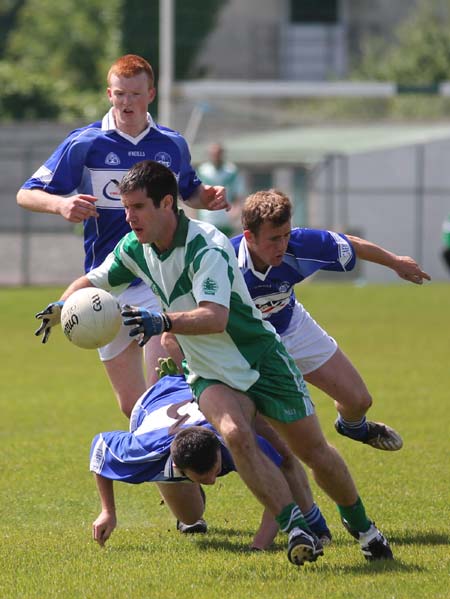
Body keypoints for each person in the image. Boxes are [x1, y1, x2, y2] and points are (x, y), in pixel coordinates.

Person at [35, 160, 393, 566]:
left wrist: (162, 321)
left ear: (167, 203)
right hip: (208, 370)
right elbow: (95, 280)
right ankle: (295, 528)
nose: (128, 216)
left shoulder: (207, 245)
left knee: (313, 452)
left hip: (259, 358)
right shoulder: (134, 248)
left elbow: (215, 317)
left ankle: (364, 529)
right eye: (125, 207)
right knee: (235, 434)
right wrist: (64, 304)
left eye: (137, 207)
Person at [16, 54, 227, 418]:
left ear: (151, 95)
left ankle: (185, 462)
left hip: (157, 274)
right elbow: (26, 193)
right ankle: (170, 455)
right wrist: (61, 205)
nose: (126, 102)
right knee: (133, 407)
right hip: (104, 283)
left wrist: (205, 196)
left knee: (165, 390)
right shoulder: (86, 143)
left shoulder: (171, 144)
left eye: (134, 94)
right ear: (109, 95)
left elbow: (189, 191)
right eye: (119, 94)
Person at [231, 189, 431, 450]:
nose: (282, 245)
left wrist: (396, 262)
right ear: (250, 237)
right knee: (268, 438)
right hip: (245, 343)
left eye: (286, 235)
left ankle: (352, 427)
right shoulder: (223, 260)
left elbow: (351, 244)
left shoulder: (300, 245)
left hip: (291, 325)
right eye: (273, 239)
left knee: (359, 401)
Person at [91, 368, 331, 549]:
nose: (214, 481)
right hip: (154, 402)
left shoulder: (235, 441)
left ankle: (311, 519)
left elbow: (280, 478)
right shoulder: (145, 451)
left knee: (274, 449)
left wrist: (259, 545)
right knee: (191, 518)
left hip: (197, 386)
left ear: (219, 449)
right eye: (203, 477)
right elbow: (100, 446)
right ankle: (181, 488)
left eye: (215, 471)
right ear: (178, 465)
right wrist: (107, 512)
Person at [196, 143, 244, 237]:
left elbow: (237, 193)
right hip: (207, 217)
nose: (216, 157)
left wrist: (236, 210)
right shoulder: (203, 171)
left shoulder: (231, 171)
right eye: (213, 154)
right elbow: (196, 193)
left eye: (218, 154)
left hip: (225, 217)